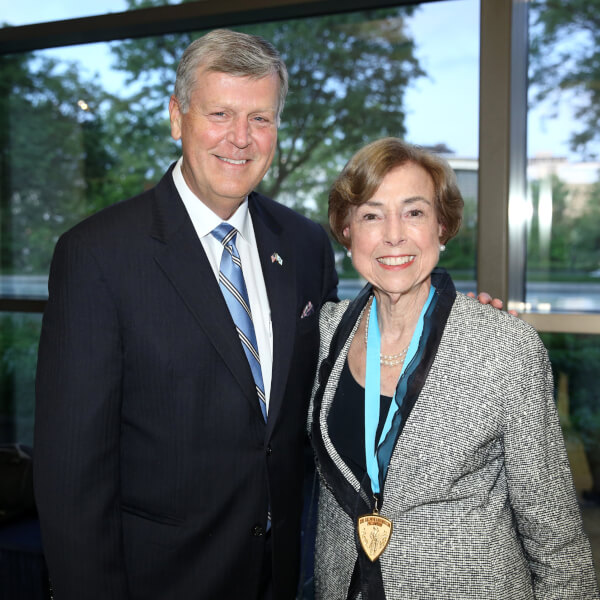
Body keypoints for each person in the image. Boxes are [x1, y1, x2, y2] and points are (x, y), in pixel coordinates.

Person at [33, 29, 339, 600]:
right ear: (177, 117)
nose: (241, 139)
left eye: (261, 118)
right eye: (219, 113)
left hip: (280, 576)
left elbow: (342, 368)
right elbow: (71, 473)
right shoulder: (97, 255)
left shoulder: (303, 245)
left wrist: (443, 316)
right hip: (157, 580)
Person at [308, 138, 600, 599]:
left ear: (442, 226)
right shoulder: (324, 334)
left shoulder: (505, 347)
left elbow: (558, 544)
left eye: (414, 212)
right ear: (346, 232)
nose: (393, 234)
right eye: (370, 214)